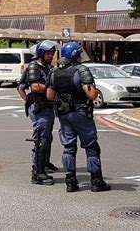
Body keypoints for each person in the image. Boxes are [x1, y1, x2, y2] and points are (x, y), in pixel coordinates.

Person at [47, 42, 111, 193]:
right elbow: (91, 94)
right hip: (81, 112)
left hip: (64, 113)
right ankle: (96, 181)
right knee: (91, 146)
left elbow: (50, 95)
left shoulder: (54, 72)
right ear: (76, 55)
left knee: (68, 147)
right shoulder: (81, 70)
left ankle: (70, 181)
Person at [26, 40, 59, 185]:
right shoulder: (34, 66)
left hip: (49, 107)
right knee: (41, 139)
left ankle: (42, 168)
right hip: (39, 107)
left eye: (52, 53)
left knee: (46, 139)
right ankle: (37, 173)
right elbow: (34, 87)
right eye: (48, 53)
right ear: (41, 53)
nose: (50, 56)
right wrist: (52, 88)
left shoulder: (49, 67)